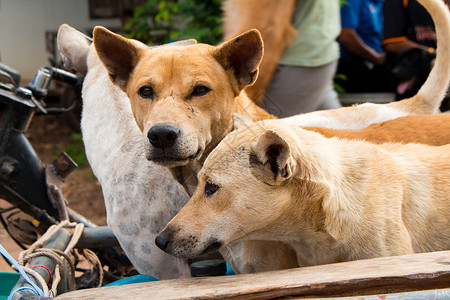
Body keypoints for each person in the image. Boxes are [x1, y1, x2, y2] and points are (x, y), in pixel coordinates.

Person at [261, 0, 342, 117]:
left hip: (299, 58)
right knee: (335, 126)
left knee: (266, 128)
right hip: (318, 53)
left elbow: (263, 19)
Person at [382, 0, 441, 99]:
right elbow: (391, 43)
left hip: (439, 76)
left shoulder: (442, 4)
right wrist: (432, 53)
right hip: (409, 75)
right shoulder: (399, 3)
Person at [336, 0, 392, 93]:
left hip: (376, 61)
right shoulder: (354, 2)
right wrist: (376, 57)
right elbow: (345, 36)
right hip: (353, 63)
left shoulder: (381, 3)